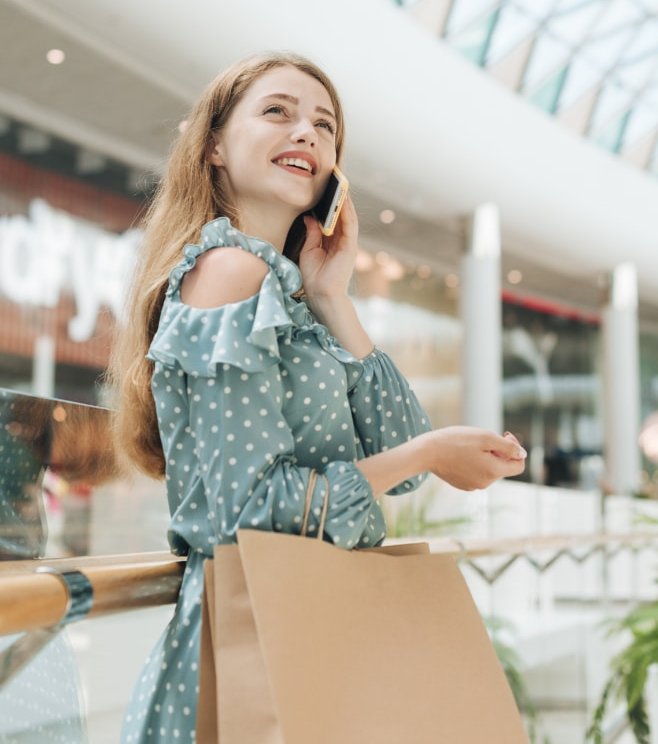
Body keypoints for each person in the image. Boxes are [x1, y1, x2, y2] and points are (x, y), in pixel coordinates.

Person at [107, 51, 527, 744]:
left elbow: (409, 465)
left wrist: (332, 294)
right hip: (258, 645)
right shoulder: (229, 272)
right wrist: (426, 450)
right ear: (213, 146)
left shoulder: (290, 294)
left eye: (324, 126)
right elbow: (253, 512)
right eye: (278, 112)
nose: (307, 133)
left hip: (307, 636)